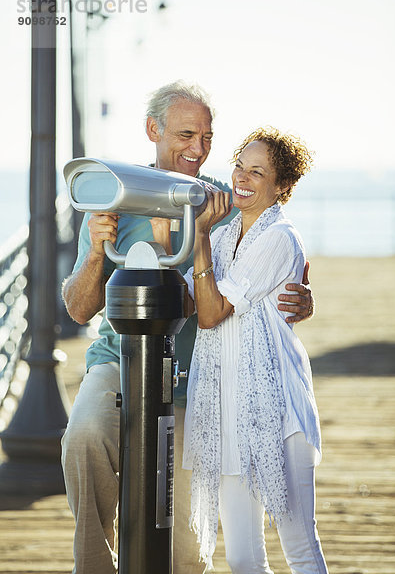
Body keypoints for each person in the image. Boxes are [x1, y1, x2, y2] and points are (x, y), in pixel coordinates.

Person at [61, 81, 314, 574]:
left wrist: (301, 296)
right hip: (119, 362)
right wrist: (95, 252)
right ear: (153, 130)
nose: (197, 150)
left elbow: (266, 265)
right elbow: (76, 309)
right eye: (185, 134)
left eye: (207, 137)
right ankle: (92, 567)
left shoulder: (222, 206)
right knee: (85, 437)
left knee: (184, 550)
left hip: (200, 379)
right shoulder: (115, 195)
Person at [177, 127, 328, 573]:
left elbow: (211, 311)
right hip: (227, 413)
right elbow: (186, 299)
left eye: (257, 172)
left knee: (299, 546)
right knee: (243, 558)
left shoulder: (279, 237)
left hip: (278, 414)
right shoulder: (225, 239)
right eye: (239, 166)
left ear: (281, 187)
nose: (241, 178)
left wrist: (199, 233)